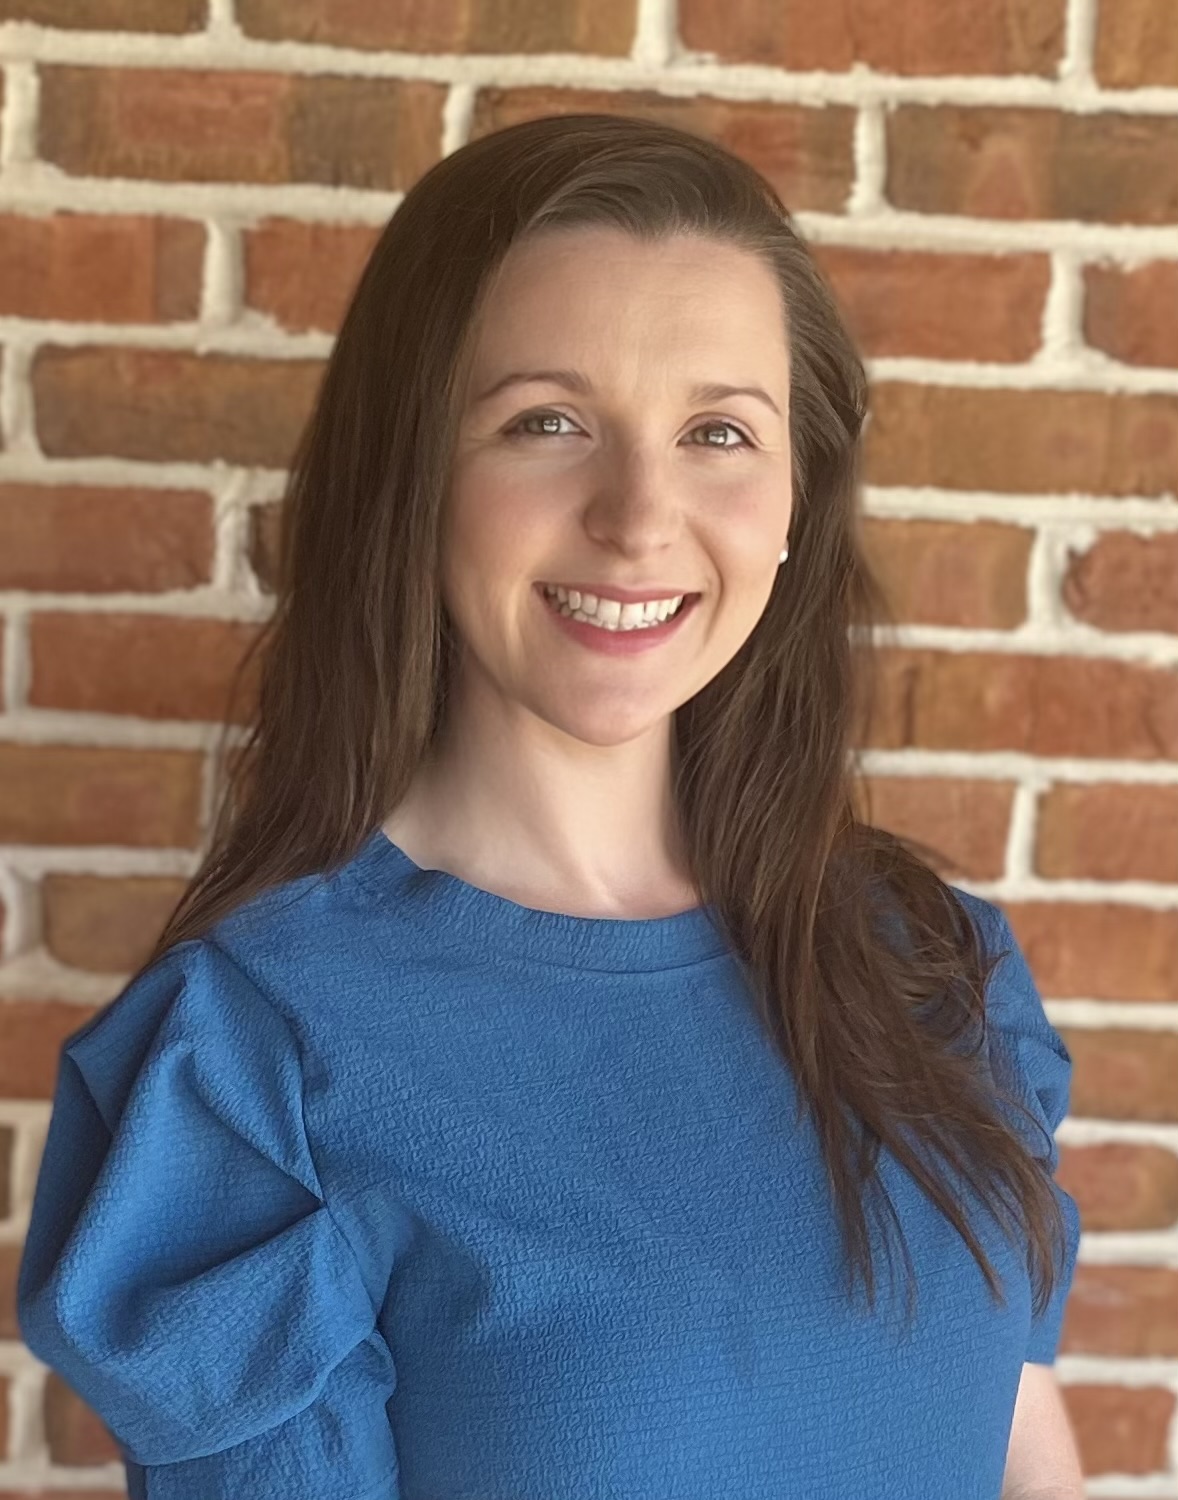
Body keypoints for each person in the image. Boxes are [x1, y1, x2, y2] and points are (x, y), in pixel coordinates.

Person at [17, 113, 1082, 1499]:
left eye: (716, 431)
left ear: (791, 501)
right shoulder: (250, 1065)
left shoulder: (936, 966)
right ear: (415, 476)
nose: (638, 514)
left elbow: (1024, 1459)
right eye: (546, 423)